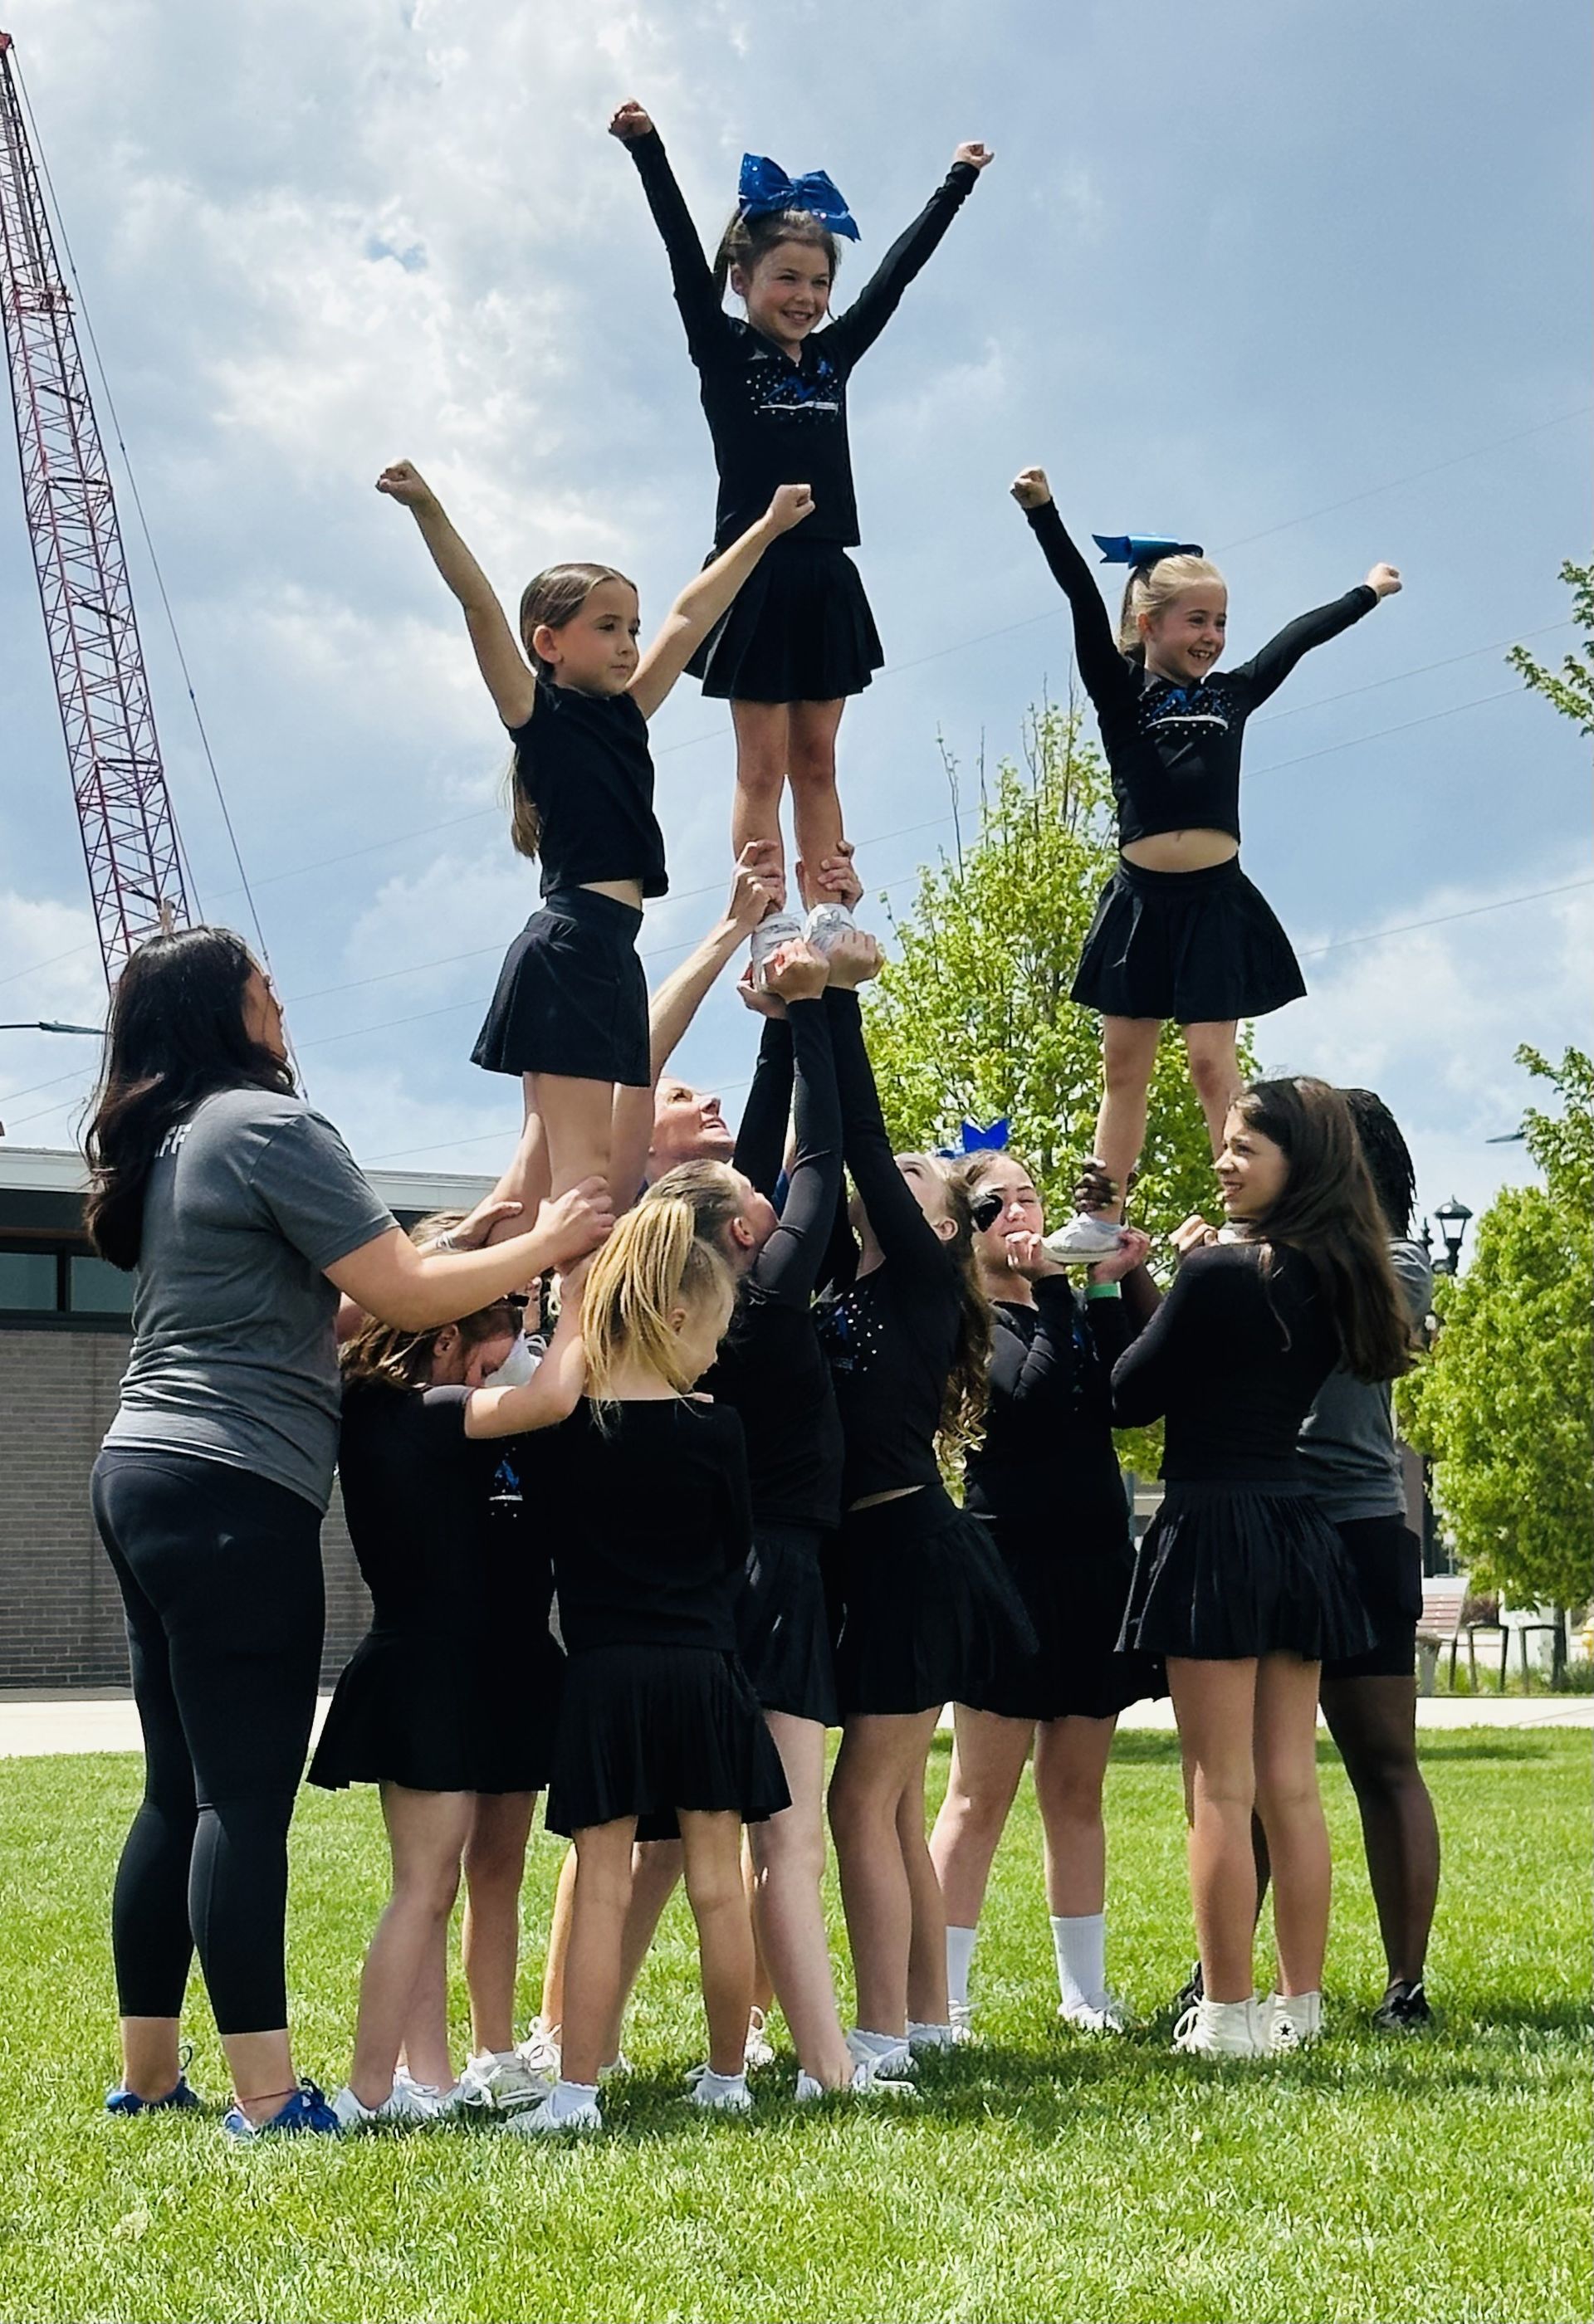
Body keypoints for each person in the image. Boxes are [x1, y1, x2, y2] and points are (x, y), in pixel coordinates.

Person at [86, 926, 613, 2137]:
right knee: (238, 1802)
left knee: (177, 1790)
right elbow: (403, 1297)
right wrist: (553, 1241)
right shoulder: (269, 1127)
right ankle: (269, 2099)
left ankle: (153, 2075)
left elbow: (319, 1309)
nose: (284, 1002)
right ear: (224, 1009)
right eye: (267, 986)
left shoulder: (179, 1144)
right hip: (233, 1489)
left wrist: (491, 1219)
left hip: (142, 1471)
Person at [609, 100, 993, 970]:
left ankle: (827, 907)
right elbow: (679, 253)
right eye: (788, 279)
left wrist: (956, 183)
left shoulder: (832, 356)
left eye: (819, 285)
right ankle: (767, 915)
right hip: (752, 574)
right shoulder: (721, 348)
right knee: (762, 767)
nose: (808, 299)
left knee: (819, 762)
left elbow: (895, 275)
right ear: (743, 280)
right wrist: (649, 149)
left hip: (824, 575)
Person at [376, 457, 814, 1218]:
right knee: (582, 1195)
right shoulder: (538, 716)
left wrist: (769, 528)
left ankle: (408, 1317)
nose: (628, 643)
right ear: (549, 643)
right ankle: (515, 1320)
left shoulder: (626, 713)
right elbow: (480, 606)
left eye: (630, 629)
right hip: (574, 946)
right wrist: (428, 509)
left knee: (527, 1192)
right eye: (607, 627)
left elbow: (690, 616)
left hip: (609, 952)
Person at [1008, 465, 1401, 1262]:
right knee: (1125, 1067)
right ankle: (1099, 1213)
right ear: (1149, 624)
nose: (1212, 637)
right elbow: (1083, 599)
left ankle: (1247, 1212)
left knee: (1213, 1066)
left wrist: (1365, 593)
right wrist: (1045, 514)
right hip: (1142, 905)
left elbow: (1298, 637)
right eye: (1196, 621)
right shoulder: (1122, 693)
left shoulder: (1234, 693)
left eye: (1220, 622)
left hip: (1216, 903)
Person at [1111, 1077, 1411, 2058]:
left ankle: (1230, 2014)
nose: (1224, 1160)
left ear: (1300, 1160)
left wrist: (1124, 1280)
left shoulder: (1220, 1273)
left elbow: (1129, 1395)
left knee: (1219, 1784)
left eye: (1245, 1146)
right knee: (1292, 1783)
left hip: (1213, 1523)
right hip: (1296, 1528)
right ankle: (1302, 2006)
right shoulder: (1344, 1274)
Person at [511, 1199, 790, 2135]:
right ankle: (726, 2076)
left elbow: (542, 1543)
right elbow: (736, 1553)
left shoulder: (562, 1430)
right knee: (719, 1881)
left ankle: (577, 2092)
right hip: (704, 1670)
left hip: (603, 1677)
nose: (717, 1354)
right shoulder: (720, 1432)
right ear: (677, 1320)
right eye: (715, 1333)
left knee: (602, 1884)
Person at [308, 1255, 586, 2128]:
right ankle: (372, 2089)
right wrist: (580, 1294)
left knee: (491, 1867)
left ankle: (458, 2068)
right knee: (425, 1885)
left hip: (506, 1659)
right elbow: (545, 1399)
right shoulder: (410, 1411)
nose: (502, 1360)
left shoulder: (444, 1409)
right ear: (442, 1334)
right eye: (489, 1343)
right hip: (429, 1668)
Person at [817, 980, 1034, 2073]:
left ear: (941, 1225)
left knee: (862, 1800)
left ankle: (881, 2036)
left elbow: (852, 1138)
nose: (888, 1174)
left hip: (908, 1551)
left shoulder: (918, 1281)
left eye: (911, 1180)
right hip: (877, 1554)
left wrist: (833, 1003)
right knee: (890, 1802)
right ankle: (924, 2020)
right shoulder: (840, 1282)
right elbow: (819, 1160)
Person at [927, 1150, 1157, 2036]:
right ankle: (942, 1999)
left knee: (1077, 1789)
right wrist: (1055, 1288)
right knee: (980, 1792)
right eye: (997, 1204)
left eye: (1032, 1197)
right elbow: (1021, 1398)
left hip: (1094, 1566)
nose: (1021, 1214)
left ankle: (1084, 1993)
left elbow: (1126, 1397)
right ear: (964, 1228)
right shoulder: (970, 1320)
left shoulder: (1069, 1305)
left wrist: (1110, 1287)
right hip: (1007, 1573)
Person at [1302, 1090, 1440, 2030]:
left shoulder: (1396, 1263)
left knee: (1384, 1760)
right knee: (1255, 1769)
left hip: (1358, 1529)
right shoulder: (1264, 1253)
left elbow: (1352, 1322)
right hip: (1266, 1529)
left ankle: (1405, 1983)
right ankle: (1227, 1972)